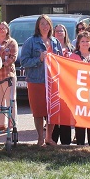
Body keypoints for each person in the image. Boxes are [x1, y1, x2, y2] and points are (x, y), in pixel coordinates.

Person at [19, 14, 63, 146]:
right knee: (38, 111)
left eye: (47, 23)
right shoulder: (30, 42)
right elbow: (24, 61)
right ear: (38, 26)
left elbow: (61, 61)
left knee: (52, 111)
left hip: (53, 81)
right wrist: (39, 59)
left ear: (50, 26)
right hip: (36, 81)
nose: (45, 26)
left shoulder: (55, 42)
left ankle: (49, 138)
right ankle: (40, 138)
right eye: (42, 23)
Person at [70, 31, 90, 146]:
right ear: (78, 43)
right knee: (80, 118)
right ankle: (79, 143)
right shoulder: (73, 56)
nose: (85, 43)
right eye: (82, 41)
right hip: (79, 92)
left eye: (87, 41)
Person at [0, 21, 18, 146]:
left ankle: (12, 124)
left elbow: (13, 57)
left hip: (8, 75)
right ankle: (0, 124)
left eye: (4, 28)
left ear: (7, 30)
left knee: (10, 100)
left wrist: (1, 64)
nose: (2, 30)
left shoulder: (11, 42)